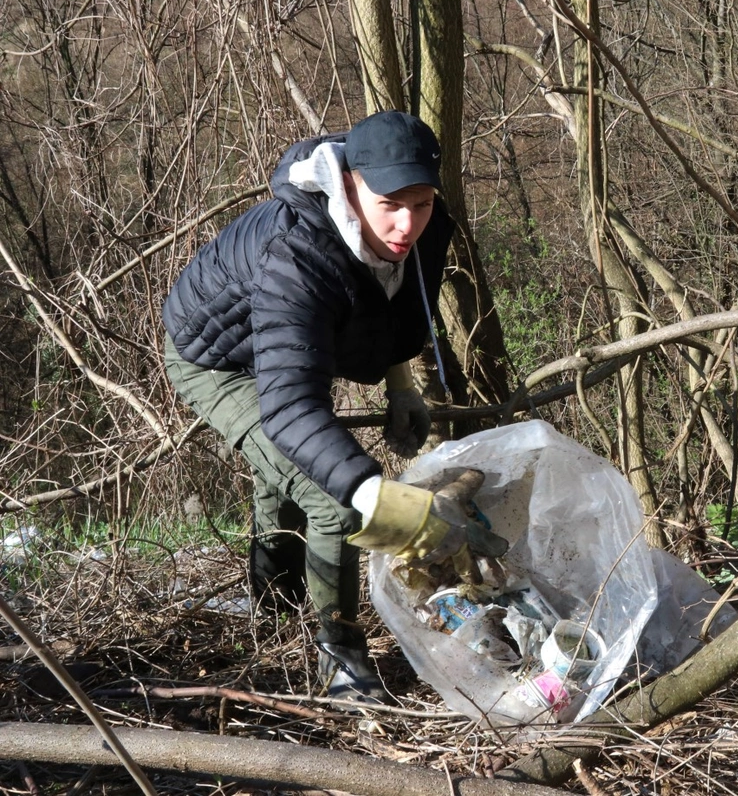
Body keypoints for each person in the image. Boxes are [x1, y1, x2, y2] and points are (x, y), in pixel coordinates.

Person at [163, 110, 505, 702]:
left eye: (420, 204)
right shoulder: (296, 251)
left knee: (287, 478)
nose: (407, 224)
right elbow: (291, 405)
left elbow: (399, 308)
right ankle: (338, 655)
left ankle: (272, 615)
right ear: (350, 184)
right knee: (332, 501)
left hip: (289, 347)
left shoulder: (427, 226)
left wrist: (401, 384)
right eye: (391, 204)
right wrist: (382, 499)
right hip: (215, 357)